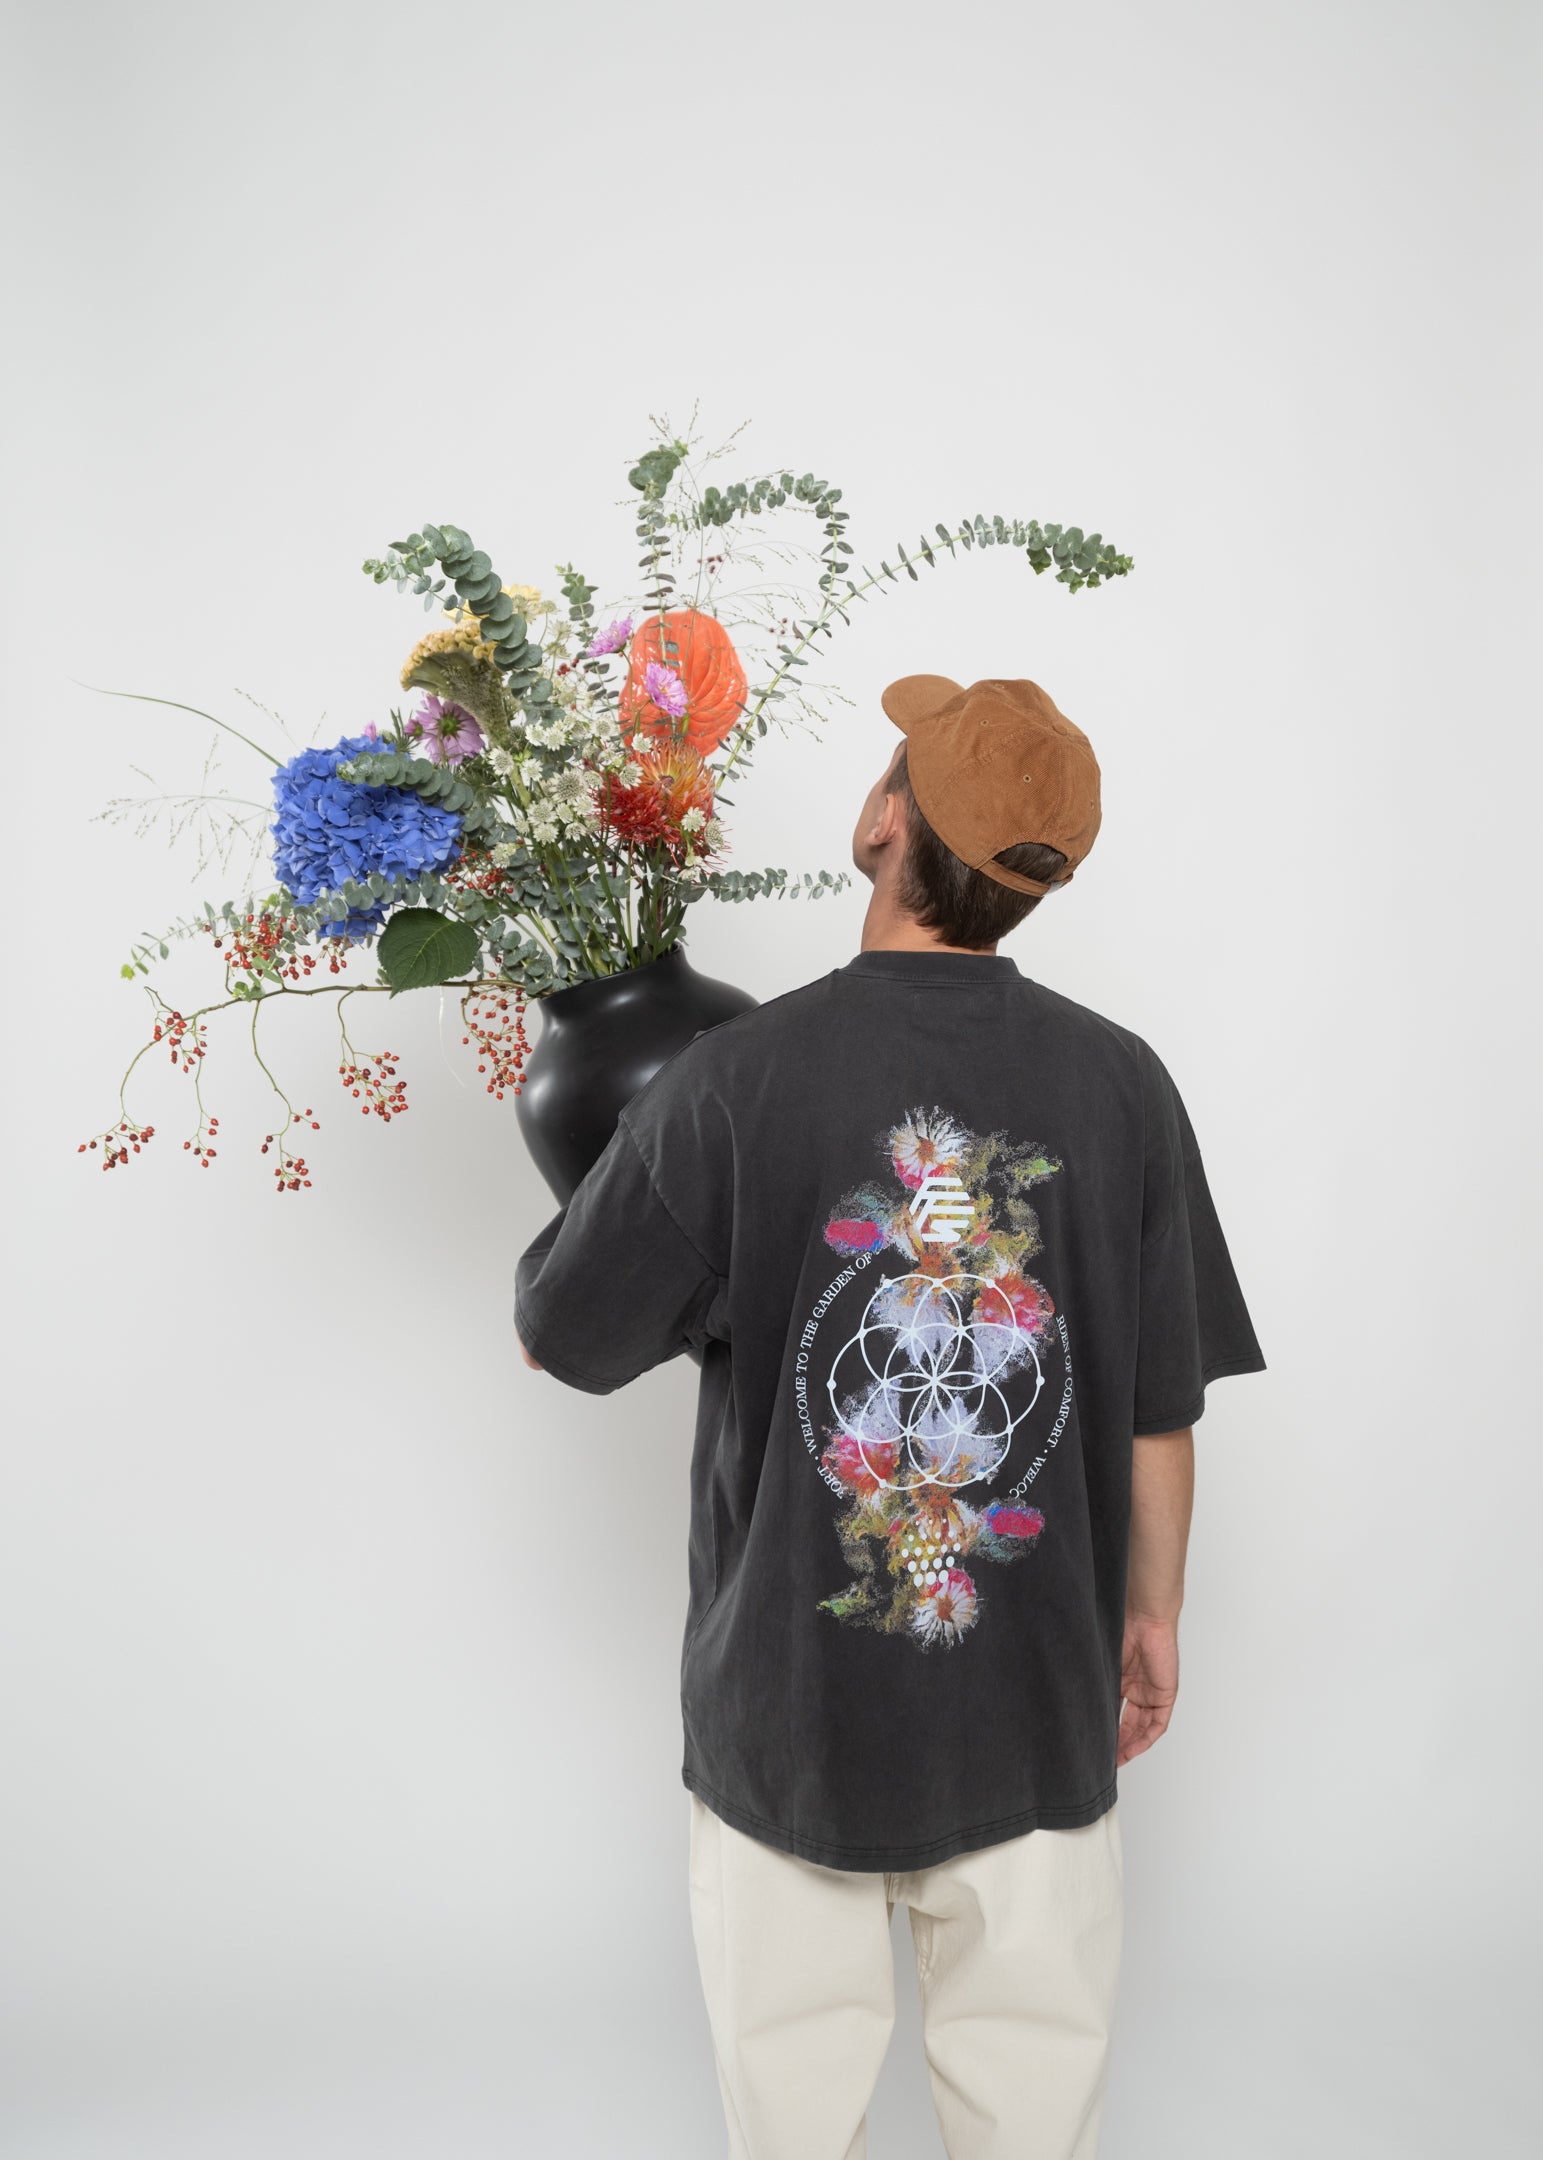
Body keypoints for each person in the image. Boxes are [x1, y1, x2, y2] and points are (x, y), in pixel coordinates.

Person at [514, 675, 1266, 2160]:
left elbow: (565, 1339)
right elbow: (1157, 1409)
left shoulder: (732, 1081)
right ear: (1035, 881)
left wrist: (603, 1154)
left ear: (882, 824)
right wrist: (1152, 1618)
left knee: (793, 2128)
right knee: (1034, 2119)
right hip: (1036, 1702)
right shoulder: (1124, 1086)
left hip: (788, 1717)